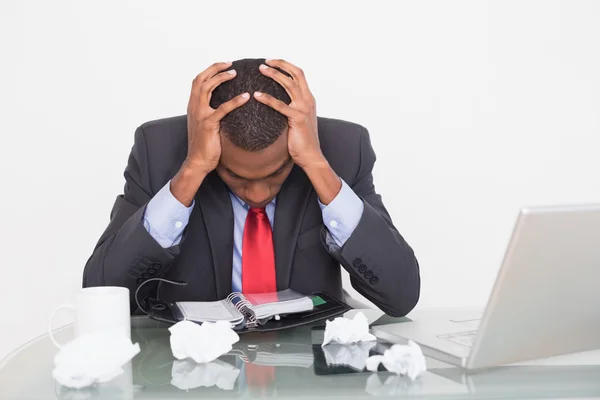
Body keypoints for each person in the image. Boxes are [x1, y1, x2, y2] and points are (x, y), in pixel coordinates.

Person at [83, 58, 420, 317]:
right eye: (235, 176)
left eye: (276, 173)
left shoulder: (343, 149)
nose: (258, 194)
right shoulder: (158, 149)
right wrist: (193, 168)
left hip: (304, 374)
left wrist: (317, 165)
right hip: (193, 373)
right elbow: (102, 295)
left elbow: (400, 295)